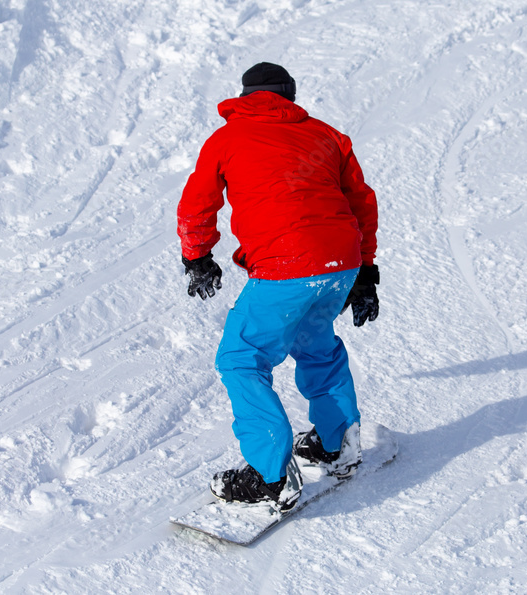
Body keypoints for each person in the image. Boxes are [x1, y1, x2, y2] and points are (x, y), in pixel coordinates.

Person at [176, 62, 380, 512]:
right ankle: (335, 443)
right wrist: (364, 272)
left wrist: (197, 256)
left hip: (287, 265)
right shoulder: (327, 135)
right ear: (289, 95)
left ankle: (269, 476)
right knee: (317, 347)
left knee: (242, 359)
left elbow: (196, 204)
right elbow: (361, 201)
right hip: (338, 262)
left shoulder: (226, 138)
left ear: (245, 95)